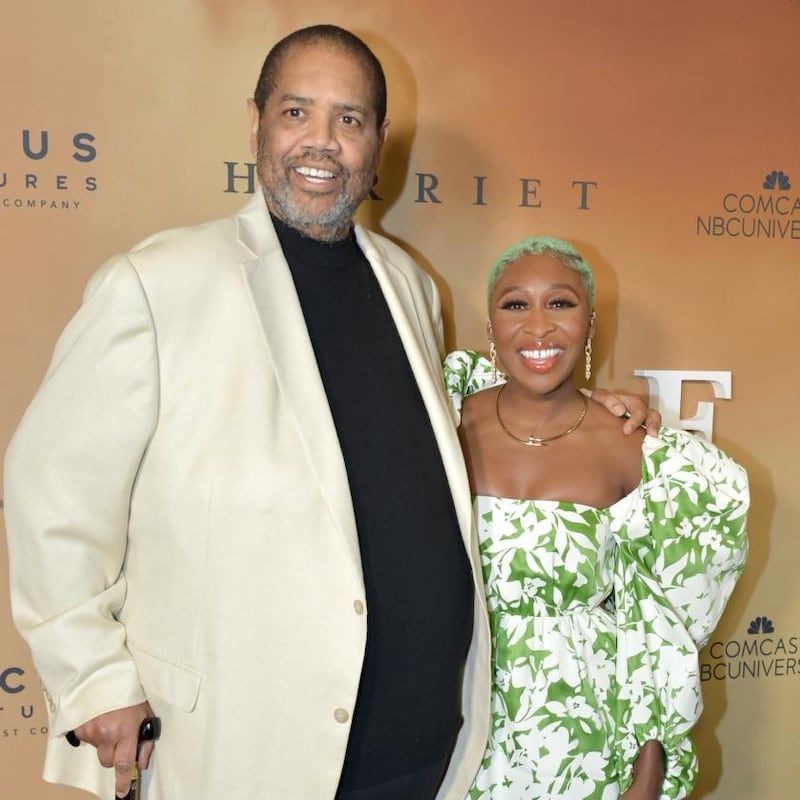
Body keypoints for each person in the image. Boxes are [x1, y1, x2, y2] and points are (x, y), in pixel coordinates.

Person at [4, 26, 657, 800]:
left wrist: (594, 406)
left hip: (424, 751)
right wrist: (93, 678)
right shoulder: (157, 283)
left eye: (348, 119)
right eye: (296, 113)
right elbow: (53, 492)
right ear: (255, 122)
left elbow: (441, 423)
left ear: (378, 142)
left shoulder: (409, 284)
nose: (321, 142)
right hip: (248, 749)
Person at [443, 236, 748, 800]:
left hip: (585, 744)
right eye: (515, 304)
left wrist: (650, 760)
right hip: (449, 731)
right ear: (490, 325)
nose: (539, 327)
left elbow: (658, 627)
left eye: (560, 303)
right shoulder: (438, 416)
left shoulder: (638, 449)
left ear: (590, 323)